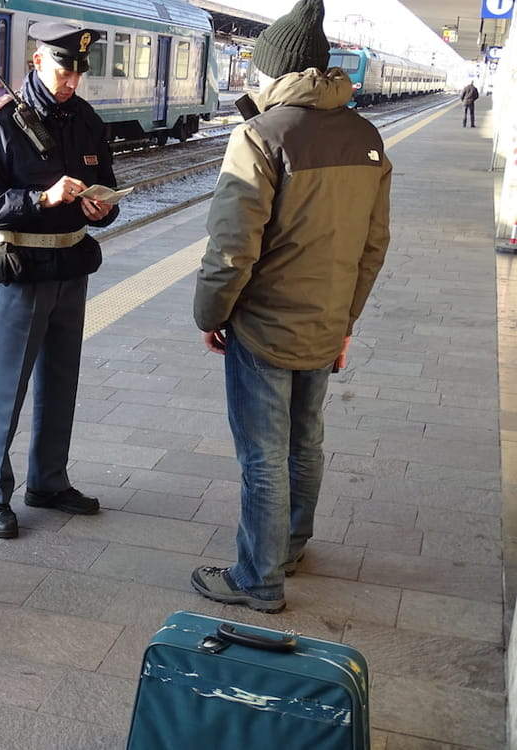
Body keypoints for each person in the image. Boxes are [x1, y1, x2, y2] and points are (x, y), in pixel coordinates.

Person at [189, 0, 392, 613]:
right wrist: (346, 323)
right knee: (305, 442)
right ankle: (290, 546)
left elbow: (231, 247)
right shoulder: (366, 137)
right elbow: (373, 246)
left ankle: (259, 578)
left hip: (264, 330)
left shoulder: (260, 135)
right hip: (326, 324)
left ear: (277, 71)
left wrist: (211, 314)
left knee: (262, 456)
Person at [0, 22, 120, 539]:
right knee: (6, 387)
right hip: (21, 273)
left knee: (60, 383)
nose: (71, 80)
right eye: (61, 68)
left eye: (77, 71)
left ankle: (48, 482)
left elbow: (108, 190)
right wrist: (40, 199)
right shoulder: (1, 125)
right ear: (36, 62)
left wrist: (100, 210)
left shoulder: (88, 121)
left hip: (72, 269)